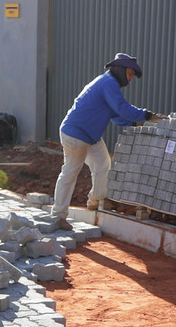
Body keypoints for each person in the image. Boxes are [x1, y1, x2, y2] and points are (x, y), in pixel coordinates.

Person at [51, 52, 155, 229]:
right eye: (130, 74)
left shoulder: (107, 84)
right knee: (70, 172)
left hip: (89, 136)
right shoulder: (108, 83)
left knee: (103, 165)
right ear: (121, 70)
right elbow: (122, 108)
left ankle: (95, 202)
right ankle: (58, 216)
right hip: (76, 133)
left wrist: (134, 122)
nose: (130, 80)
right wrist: (146, 115)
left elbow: (116, 115)